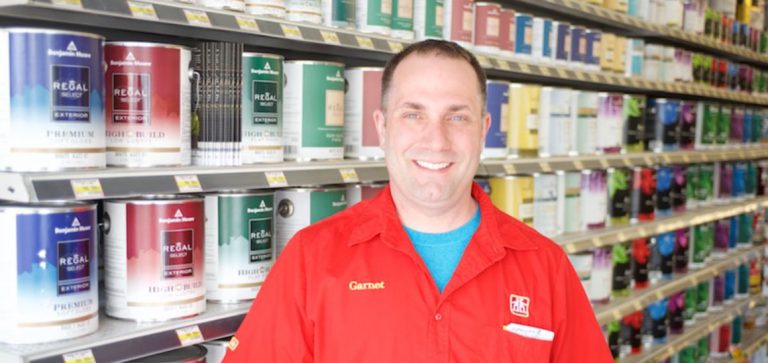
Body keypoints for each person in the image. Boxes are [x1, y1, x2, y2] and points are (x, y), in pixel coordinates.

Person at [223, 39, 613, 362]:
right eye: (414, 115)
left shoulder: (545, 267)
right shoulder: (311, 259)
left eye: (457, 117)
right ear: (382, 127)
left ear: (484, 131)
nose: (436, 140)